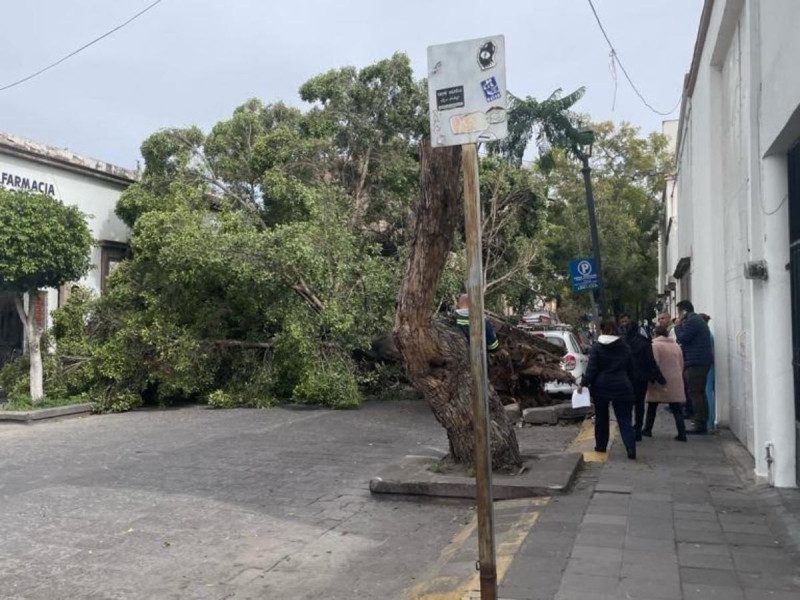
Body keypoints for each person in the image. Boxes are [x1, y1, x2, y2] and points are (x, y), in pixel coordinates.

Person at [578, 321, 637, 459]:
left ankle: (601, 446)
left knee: (601, 418)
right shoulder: (625, 347)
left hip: (601, 386)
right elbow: (631, 369)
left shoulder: (597, 347)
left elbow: (592, 369)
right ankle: (630, 447)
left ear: (603, 331)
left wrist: (584, 383)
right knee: (624, 419)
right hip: (622, 385)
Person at [622, 317, 666, 441]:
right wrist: (659, 378)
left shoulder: (622, 342)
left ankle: (628, 429)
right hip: (641, 378)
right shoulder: (644, 342)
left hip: (626, 378)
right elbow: (651, 362)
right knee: (639, 404)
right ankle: (638, 430)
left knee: (627, 405)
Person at [674, 300, 714, 434]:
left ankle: (700, 424)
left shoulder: (692, 321)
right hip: (700, 361)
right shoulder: (696, 320)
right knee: (699, 393)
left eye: (679, 312)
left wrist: (678, 326)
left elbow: (683, 338)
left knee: (695, 393)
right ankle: (701, 421)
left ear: (684, 311)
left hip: (696, 363)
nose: (678, 315)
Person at [642, 325, 688, 441]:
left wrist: (652, 378)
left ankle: (648, 429)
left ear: (655, 334)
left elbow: (654, 363)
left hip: (661, 380)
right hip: (675, 379)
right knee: (676, 407)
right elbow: (681, 363)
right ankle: (682, 433)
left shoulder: (655, 345)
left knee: (652, 405)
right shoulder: (676, 345)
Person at [700, 313, 715, 431]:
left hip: (706, 365)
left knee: (707, 392)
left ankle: (709, 422)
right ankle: (709, 422)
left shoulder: (706, 335)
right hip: (710, 364)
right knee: (708, 391)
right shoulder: (709, 334)